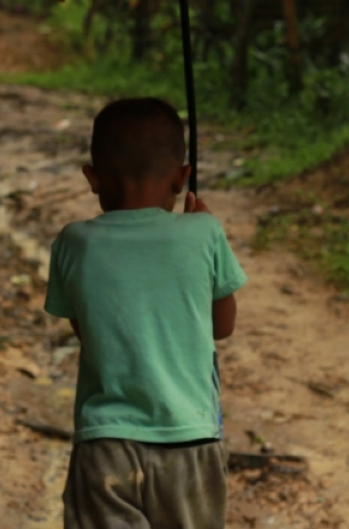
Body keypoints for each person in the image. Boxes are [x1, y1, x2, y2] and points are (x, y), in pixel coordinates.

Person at [45, 97, 247, 529]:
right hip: (190, 443)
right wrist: (202, 233)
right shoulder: (204, 232)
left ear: (92, 179)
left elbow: (90, 330)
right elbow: (222, 327)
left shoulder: (73, 242)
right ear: (182, 177)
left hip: (106, 444)